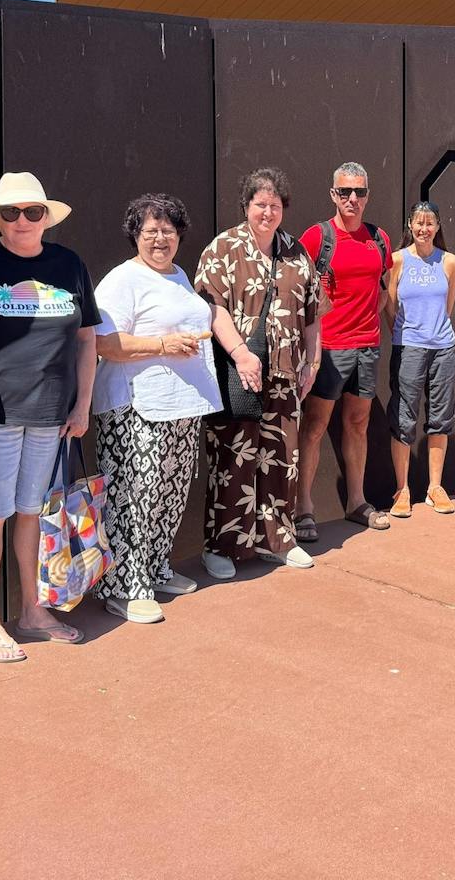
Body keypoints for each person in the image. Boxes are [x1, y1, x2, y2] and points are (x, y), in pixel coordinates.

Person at [0, 173, 99, 662]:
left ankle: (31, 612)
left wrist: (82, 405)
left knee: (29, 515)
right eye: (10, 212)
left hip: (51, 417)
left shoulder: (69, 264)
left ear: (47, 217)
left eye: (32, 212)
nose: (21, 221)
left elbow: (87, 340)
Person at [90, 193, 222, 623]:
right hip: (134, 408)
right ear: (135, 236)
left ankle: (153, 568)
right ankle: (125, 587)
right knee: (135, 495)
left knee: (170, 492)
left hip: (180, 406)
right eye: (150, 232)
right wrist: (161, 344)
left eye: (168, 231)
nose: (159, 239)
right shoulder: (120, 281)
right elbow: (104, 343)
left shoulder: (180, 275)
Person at [193, 168, 323, 574]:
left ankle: (277, 540)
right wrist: (240, 353)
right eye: (260, 204)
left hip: (285, 374)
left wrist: (313, 361)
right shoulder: (223, 248)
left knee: (282, 456)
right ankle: (222, 547)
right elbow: (211, 307)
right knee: (233, 456)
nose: (267, 212)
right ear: (247, 206)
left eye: (275, 205)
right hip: (237, 373)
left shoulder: (295, 251)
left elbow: (313, 312)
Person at [297, 162, 392, 538]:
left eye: (360, 192)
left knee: (358, 424)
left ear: (368, 195)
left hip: (367, 346)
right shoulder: (317, 238)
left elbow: (383, 289)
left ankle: (356, 501)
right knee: (315, 426)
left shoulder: (378, 237)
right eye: (345, 192)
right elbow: (299, 291)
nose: (353, 199)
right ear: (333, 195)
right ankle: (303, 507)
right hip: (328, 350)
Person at [383, 201, 455, 517]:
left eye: (430, 223)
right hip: (408, 347)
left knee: (440, 416)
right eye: (418, 223)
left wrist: (433, 332)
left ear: (438, 226)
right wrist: (404, 334)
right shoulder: (398, 260)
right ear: (410, 226)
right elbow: (389, 306)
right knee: (403, 417)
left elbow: (448, 306)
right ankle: (402, 490)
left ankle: (434, 487)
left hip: (442, 348)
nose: (424, 229)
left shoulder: (450, 262)